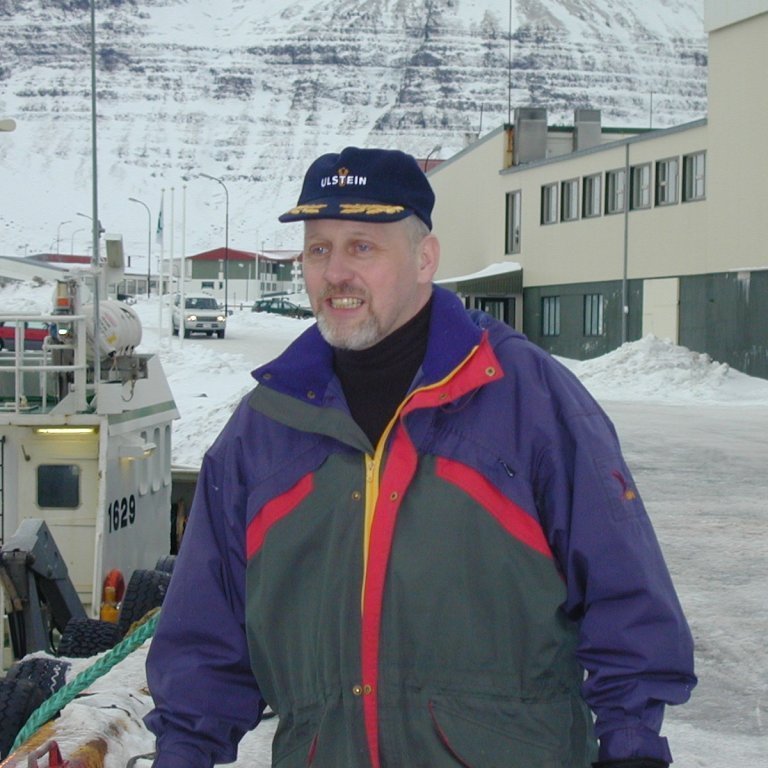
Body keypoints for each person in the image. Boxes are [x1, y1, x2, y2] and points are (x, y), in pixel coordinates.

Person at [145, 147, 696, 767]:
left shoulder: (526, 398)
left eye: (362, 247)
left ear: (425, 258)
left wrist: (632, 747)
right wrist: (183, 751)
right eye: (318, 248)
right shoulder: (265, 427)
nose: (334, 273)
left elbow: (626, 595)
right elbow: (205, 629)